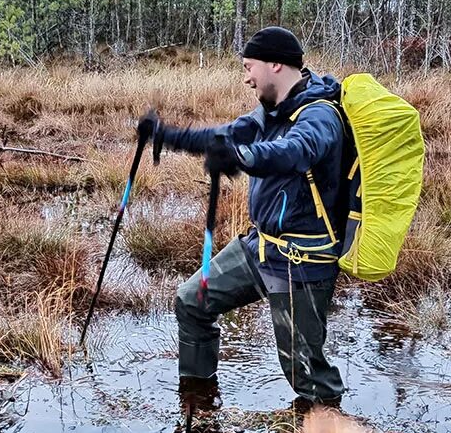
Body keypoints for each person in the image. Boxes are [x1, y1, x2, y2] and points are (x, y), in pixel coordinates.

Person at [139, 26, 350, 410]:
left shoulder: (320, 115)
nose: (246, 76)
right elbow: (229, 135)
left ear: (275, 64)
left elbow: (296, 151)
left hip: (301, 262)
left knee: (306, 376)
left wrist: (242, 158)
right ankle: (198, 403)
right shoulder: (270, 110)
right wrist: (166, 136)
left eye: (250, 66)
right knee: (192, 303)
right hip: (261, 248)